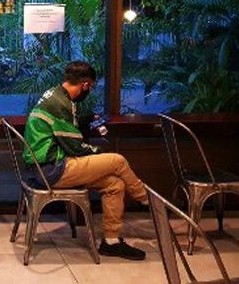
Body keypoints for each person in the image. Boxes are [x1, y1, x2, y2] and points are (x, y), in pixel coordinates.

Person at [23, 61, 148, 261]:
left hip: (43, 167)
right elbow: (75, 147)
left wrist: (85, 120)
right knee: (117, 160)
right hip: (53, 170)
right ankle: (146, 199)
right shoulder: (61, 104)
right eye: (91, 86)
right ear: (86, 84)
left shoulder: (54, 94)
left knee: (115, 185)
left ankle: (111, 242)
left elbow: (63, 130)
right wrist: (99, 151)